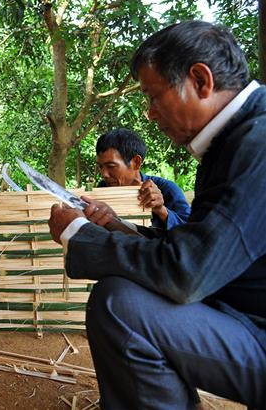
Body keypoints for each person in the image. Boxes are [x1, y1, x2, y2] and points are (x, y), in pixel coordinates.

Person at [48, 21, 266, 408]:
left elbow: (188, 271)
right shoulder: (235, 140)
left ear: (201, 80)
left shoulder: (258, 145)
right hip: (244, 315)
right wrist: (115, 226)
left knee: (120, 307)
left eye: (153, 96)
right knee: (120, 296)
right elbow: (196, 247)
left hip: (254, 328)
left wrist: (80, 234)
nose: (149, 114)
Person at [95, 128, 190, 229]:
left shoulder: (167, 190)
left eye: (111, 166)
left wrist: (161, 210)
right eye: (100, 167)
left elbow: (191, 234)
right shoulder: (103, 187)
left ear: (136, 162)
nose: (104, 174)